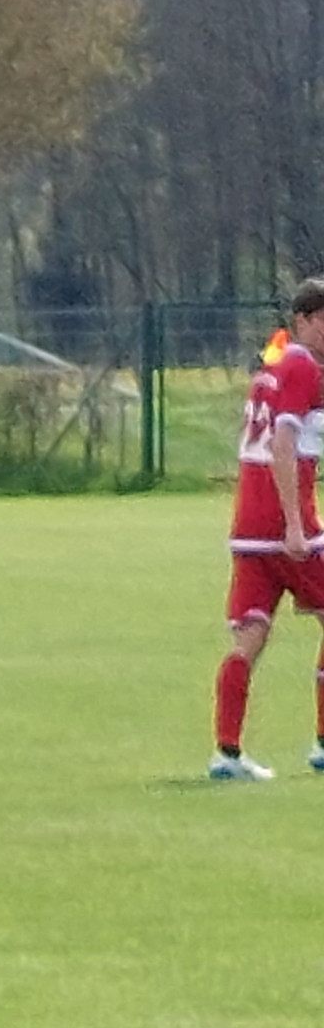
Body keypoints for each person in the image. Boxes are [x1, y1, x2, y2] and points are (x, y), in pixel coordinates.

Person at [208, 279, 324, 781]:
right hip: (283, 525)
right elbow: (282, 441)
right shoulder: (302, 365)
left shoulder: (271, 368)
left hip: (248, 527)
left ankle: (226, 754)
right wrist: (296, 528)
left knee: (249, 638)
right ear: (303, 319)